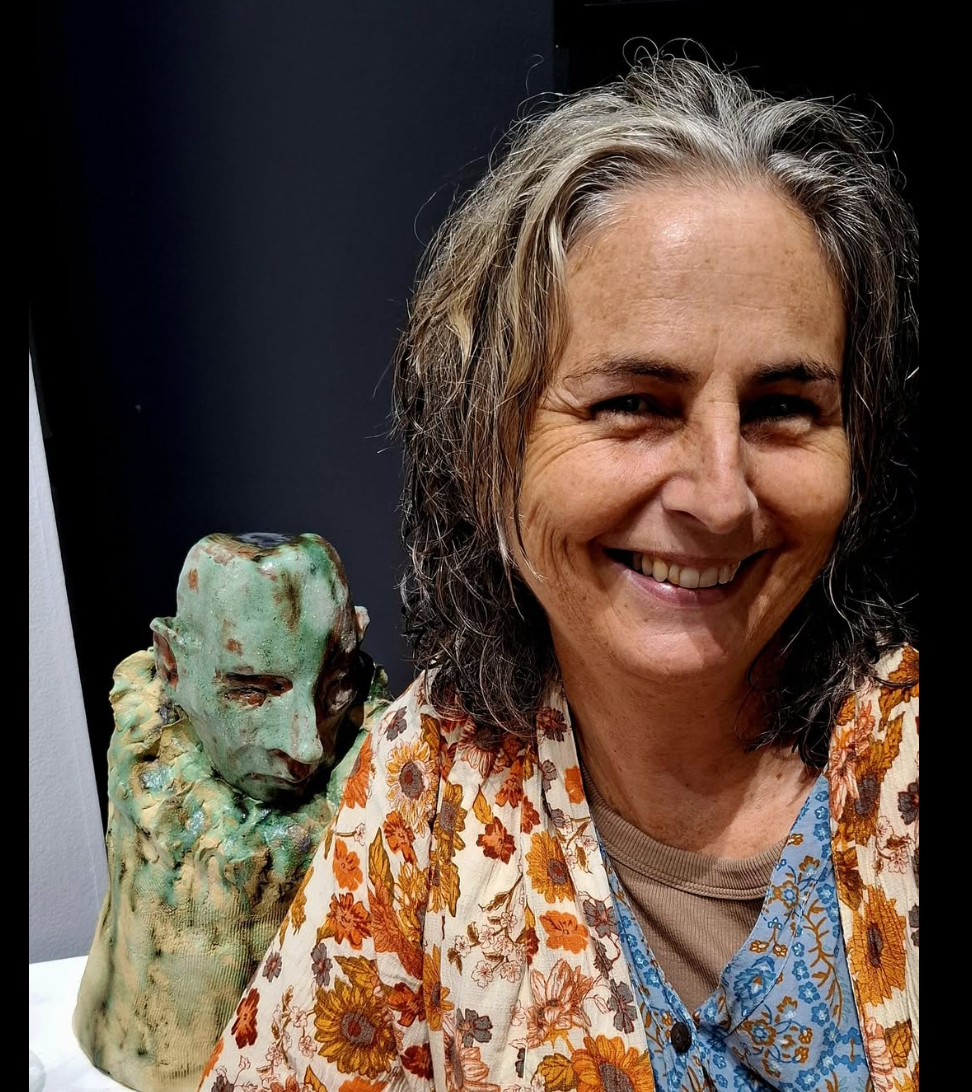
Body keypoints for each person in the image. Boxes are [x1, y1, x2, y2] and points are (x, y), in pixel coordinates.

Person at [202, 57, 918, 1092]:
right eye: (634, 403)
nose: (721, 497)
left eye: (782, 409)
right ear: (487, 441)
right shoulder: (429, 793)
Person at [75, 532, 385, 1092]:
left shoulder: (383, 779)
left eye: (335, 686)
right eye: (253, 692)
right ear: (171, 665)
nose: (306, 746)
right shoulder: (159, 794)